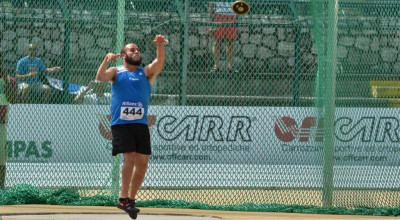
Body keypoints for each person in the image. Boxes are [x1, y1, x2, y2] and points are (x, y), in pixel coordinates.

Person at [96, 34, 168, 218]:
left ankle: (131, 200)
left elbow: (159, 62)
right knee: (130, 158)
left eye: (137, 49)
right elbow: (100, 77)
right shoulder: (116, 71)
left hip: (140, 124)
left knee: (142, 163)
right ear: (122, 55)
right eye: (131, 49)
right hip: (121, 123)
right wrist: (106, 59)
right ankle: (122, 198)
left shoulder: (145, 72)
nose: (136, 52)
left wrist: (160, 45)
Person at [0, 48, 17, 189]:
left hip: (0, 124)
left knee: (1, 159)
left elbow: (13, 99)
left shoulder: (9, 80)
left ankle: (1, 188)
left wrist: (5, 78)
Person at [209, 1, 238, 73]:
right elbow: (211, 6)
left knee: (230, 42)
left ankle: (230, 67)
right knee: (216, 42)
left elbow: (238, 6)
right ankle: (216, 66)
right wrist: (211, 23)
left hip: (231, 17)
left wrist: (237, 21)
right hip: (218, 16)